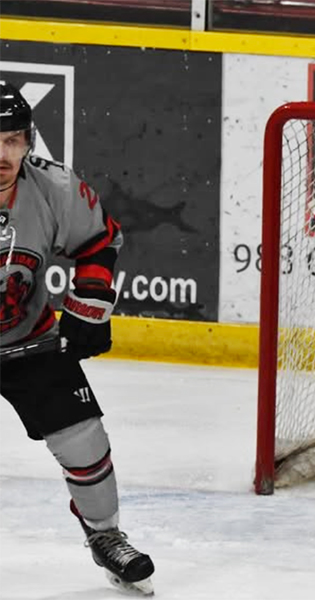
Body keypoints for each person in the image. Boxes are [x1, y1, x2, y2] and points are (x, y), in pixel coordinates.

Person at [0, 82, 154, 594]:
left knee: (83, 436)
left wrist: (88, 309)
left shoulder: (52, 188)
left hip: (28, 338)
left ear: (28, 141)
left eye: (13, 140)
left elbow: (99, 239)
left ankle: (106, 537)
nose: (2, 154)